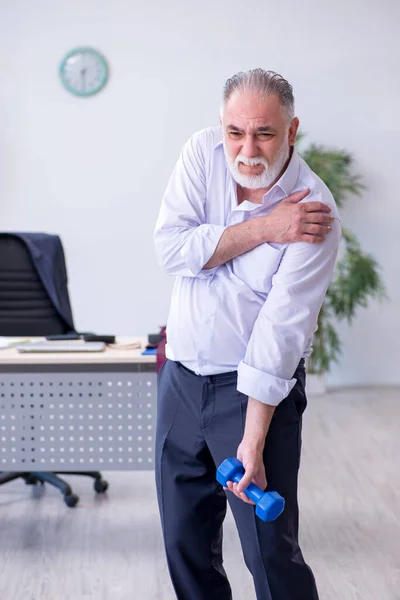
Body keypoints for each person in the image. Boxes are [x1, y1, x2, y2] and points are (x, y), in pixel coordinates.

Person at [154, 68, 341, 600]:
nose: (247, 148)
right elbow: (171, 250)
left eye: (264, 133)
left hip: (252, 395)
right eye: (235, 132)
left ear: (292, 129)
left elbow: (278, 338)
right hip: (181, 382)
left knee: (270, 556)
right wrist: (262, 227)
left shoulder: (314, 213)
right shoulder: (201, 154)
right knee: (184, 547)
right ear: (221, 126)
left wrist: (253, 441)